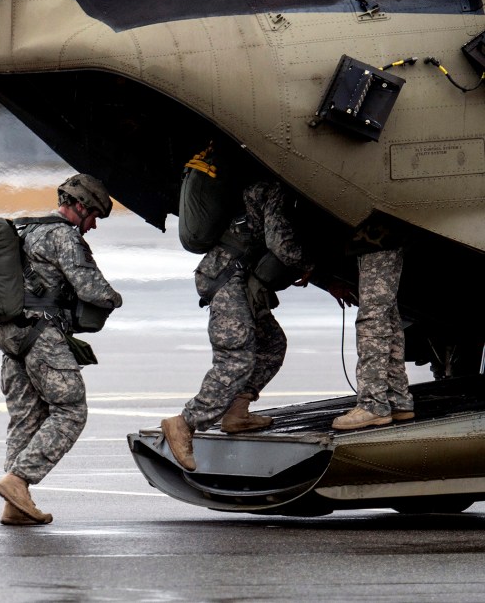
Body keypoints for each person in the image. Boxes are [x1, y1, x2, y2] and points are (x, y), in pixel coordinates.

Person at [0, 174, 122, 525]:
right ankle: (18, 480)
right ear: (79, 206)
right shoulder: (64, 236)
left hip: (12, 334)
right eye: (93, 216)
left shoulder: (24, 229)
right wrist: (115, 299)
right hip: (43, 335)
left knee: (25, 418)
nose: (92, 225)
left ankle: (15, 505)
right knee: (71, 410)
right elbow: (92, 288)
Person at [161, 181, 313, 472]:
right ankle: (184, 423)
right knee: (236, 358)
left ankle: (236, 411)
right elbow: (280, 244)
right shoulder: (276, 189)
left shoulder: (267, 185)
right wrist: (309, 265)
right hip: (227, 277)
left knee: (271, 343)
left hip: (237, 277)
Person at [330, 223, 413, 429]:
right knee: (388, 317)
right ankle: (397, 400)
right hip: (379, 239)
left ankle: (373, 405)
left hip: (377, 239)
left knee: (372, 319)